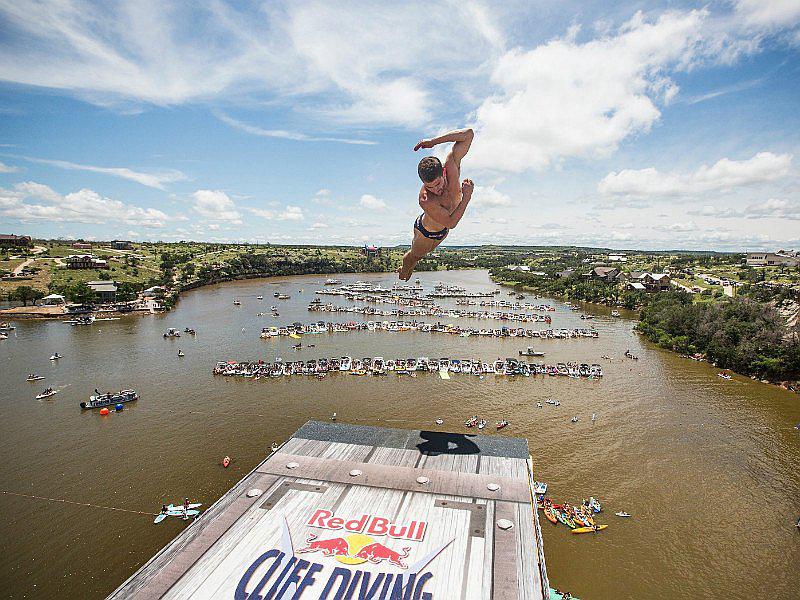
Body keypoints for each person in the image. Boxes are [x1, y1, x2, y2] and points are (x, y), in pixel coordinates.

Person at [398, 128, 474, 281]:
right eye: (429, 186)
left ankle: (409, 267)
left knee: (421, 256)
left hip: (442, 230)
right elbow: (451, 223)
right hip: (425, 232)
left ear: (443, 173)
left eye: (438, 184)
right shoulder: (425, 199)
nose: (435, 190)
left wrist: (433, 141)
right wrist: (467, 196)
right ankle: (404, 271)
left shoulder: (452, 166)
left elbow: (468, 135)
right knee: (414, 257)